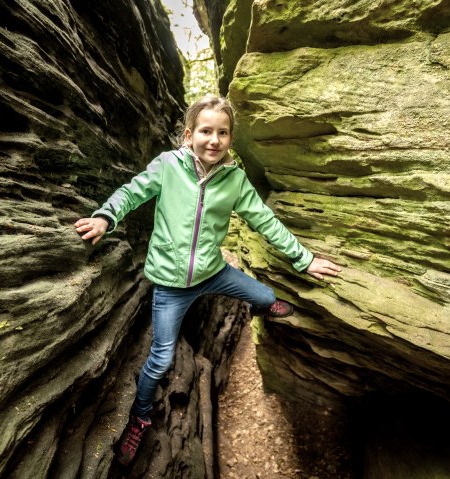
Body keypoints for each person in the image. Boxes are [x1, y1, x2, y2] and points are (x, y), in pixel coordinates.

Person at [74, 95, 341, 466]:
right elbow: (133, 191)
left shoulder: (235, 181)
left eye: (223, 133)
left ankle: (259, 307)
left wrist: (305, 259)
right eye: (205, 131)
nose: (213, 140)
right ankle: (141, 416)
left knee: (265, 296)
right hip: (170, 285)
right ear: (188, 135)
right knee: (161, 358)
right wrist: (106, 216)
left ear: (231, 139)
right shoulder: (168, 166)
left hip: (214, 271)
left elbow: (264, 221)